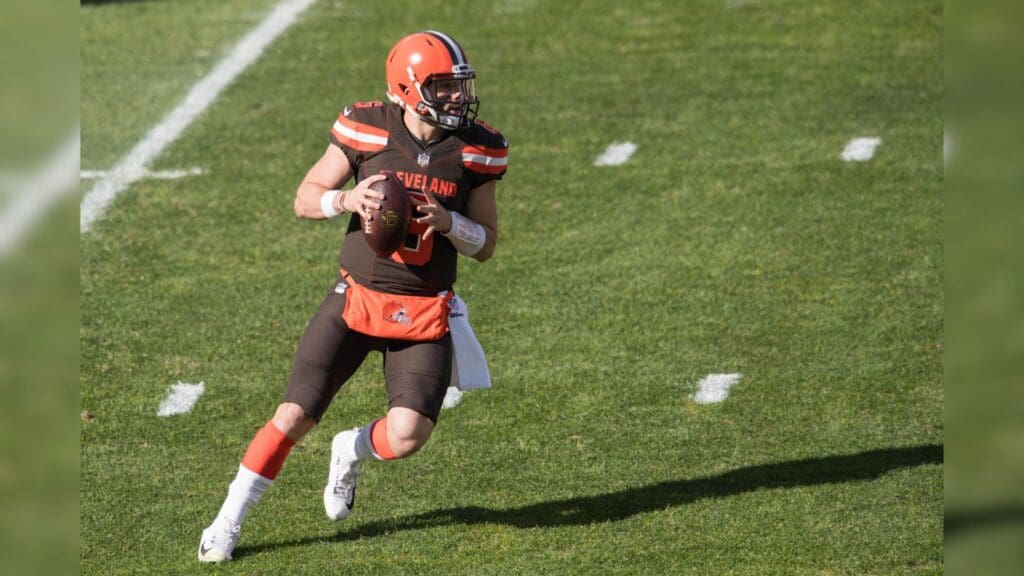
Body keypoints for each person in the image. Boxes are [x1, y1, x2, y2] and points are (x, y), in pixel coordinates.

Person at [198, 30, 508, 562]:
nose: (458, 97)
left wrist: (450, 222)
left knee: (408, 435)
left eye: (460, 86)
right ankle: (228, 521)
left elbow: (486, 245)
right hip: (357, 297)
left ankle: (350, 448)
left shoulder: (478, 148)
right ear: (407, 89)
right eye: (443, 87)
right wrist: (347, 198)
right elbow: (305, 198)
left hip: (424, 308)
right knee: (293, 415)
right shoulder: (367, 128)